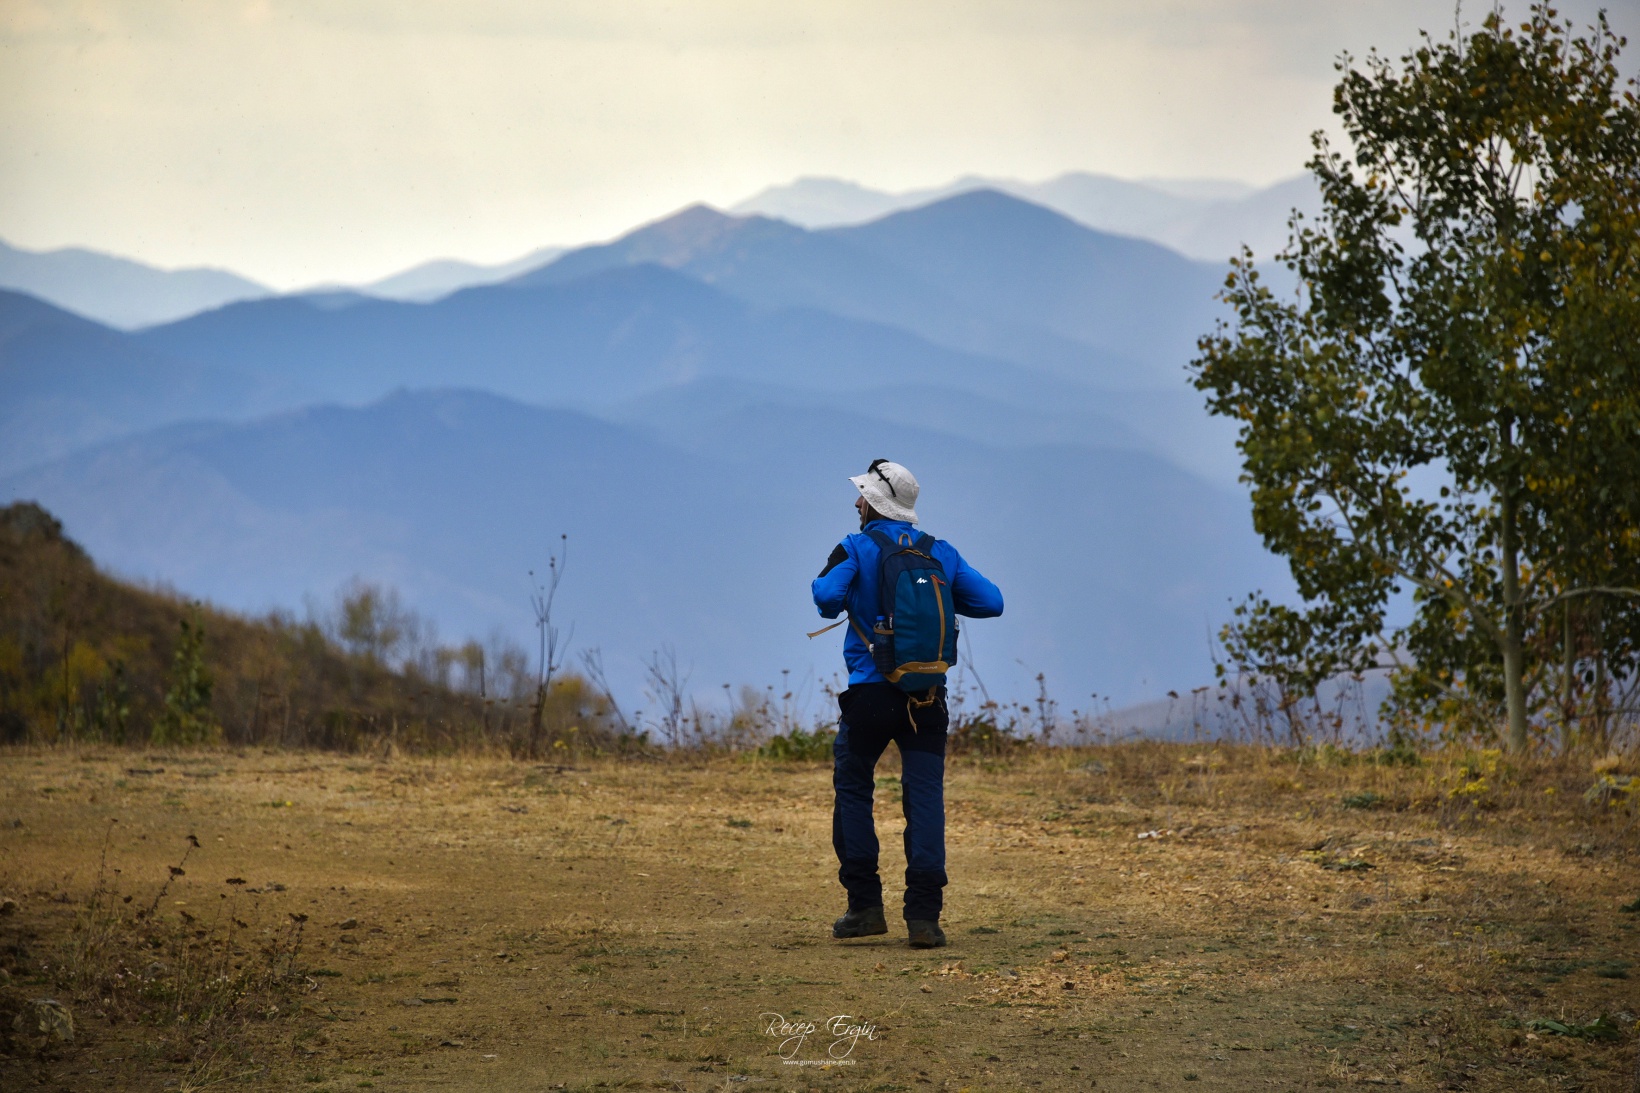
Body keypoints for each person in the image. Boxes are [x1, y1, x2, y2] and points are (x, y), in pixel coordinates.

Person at [811, 459, 1003, 948]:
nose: (855, 501)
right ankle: (924, 917)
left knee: (854, 788)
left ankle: (864, 907)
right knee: (925, 799)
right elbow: (991, 601)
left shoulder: (855, 546)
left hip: (870, 692)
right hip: (926, 696)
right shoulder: (939, 551)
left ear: (873, 502)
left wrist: (860, 591)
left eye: (860, 495)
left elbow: (825, 598)